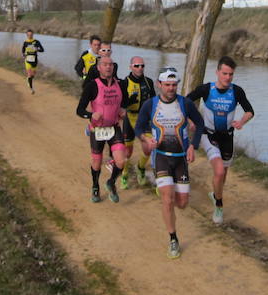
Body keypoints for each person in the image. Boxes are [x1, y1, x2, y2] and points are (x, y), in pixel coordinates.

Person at [134, 68, 204, 259]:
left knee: (182, 203)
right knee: (167, 199)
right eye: (167, 85)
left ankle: (169, 192)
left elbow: (200, 124)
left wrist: (193, 146)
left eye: (174, 85)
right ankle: (173, 239)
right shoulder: (150, 104)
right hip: (161, 156)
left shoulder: (185, 103)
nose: (171, 88)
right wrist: (146, 139)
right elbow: (138, 127)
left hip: (181, 157)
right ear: (159, 85)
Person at [184, 56, 254, 225]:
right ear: (217, 72)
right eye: (224, 73)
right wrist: (191, 120)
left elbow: (250, 111)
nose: (228, 77)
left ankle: (216, 195)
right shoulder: (206, 89)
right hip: (208, 136)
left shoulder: (236, 91)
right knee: (220, 171)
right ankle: (219, 206)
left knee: (222, 176)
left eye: (231, 74)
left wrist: (241, 122)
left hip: (227, 137)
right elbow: (185, 102)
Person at [75, 55, 127, 203]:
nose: (108, 67)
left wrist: (123, 110)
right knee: (97, 162)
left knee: (121, 161)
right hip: (98, 129)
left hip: (114, 128)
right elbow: (79, 110)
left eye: (110, 64)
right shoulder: (92, 86)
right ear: (98, 68)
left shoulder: (121, 85)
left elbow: (124, 102)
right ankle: (95, 186)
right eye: (105, 64)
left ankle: (111, 182)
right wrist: (90, 115)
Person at [119, 56, 155, 189]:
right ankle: (125, 173)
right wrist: (127, 104)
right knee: (128, 151)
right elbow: (120, 104)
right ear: (130, 67)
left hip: (144, 119)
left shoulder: (149, 82)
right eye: (136, 65)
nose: (140, 68)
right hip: (129, 117)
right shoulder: (124, 83)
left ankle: (140, 167)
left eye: (142, 66)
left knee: (149, 146)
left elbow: (154, 101)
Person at [21, 29, 44, 94]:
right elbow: (23, 50)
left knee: (33, 74)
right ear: (26, 35)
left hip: (34, 60)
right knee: (30, 74)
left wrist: (37, 49)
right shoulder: (25, 42)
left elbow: (42, 50)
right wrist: (23, 54)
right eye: (28, 35)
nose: (30, 36)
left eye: (31, 35)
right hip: (27, 60)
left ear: (33, 35)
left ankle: (29, 79)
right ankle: (31, 89)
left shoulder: (36, 42)